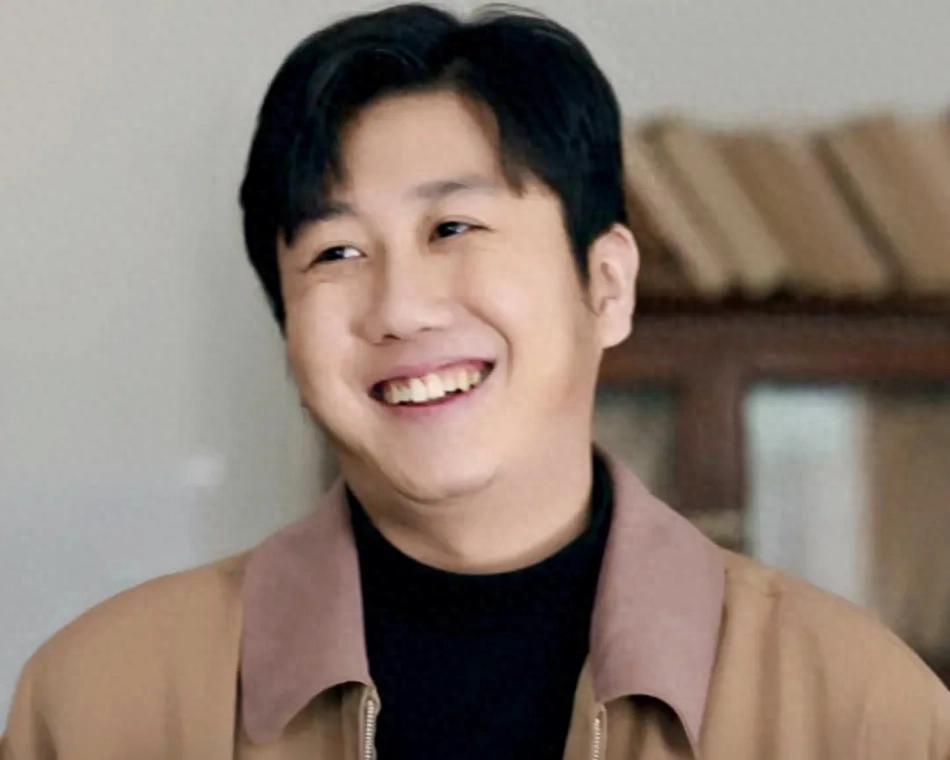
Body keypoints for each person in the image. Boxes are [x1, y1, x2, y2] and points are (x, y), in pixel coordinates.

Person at [3, 3, 949, 758]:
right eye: (336, 252)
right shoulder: (98, 707)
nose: (400, 308)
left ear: (607, 284)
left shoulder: (859, 712)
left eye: (452, 228)